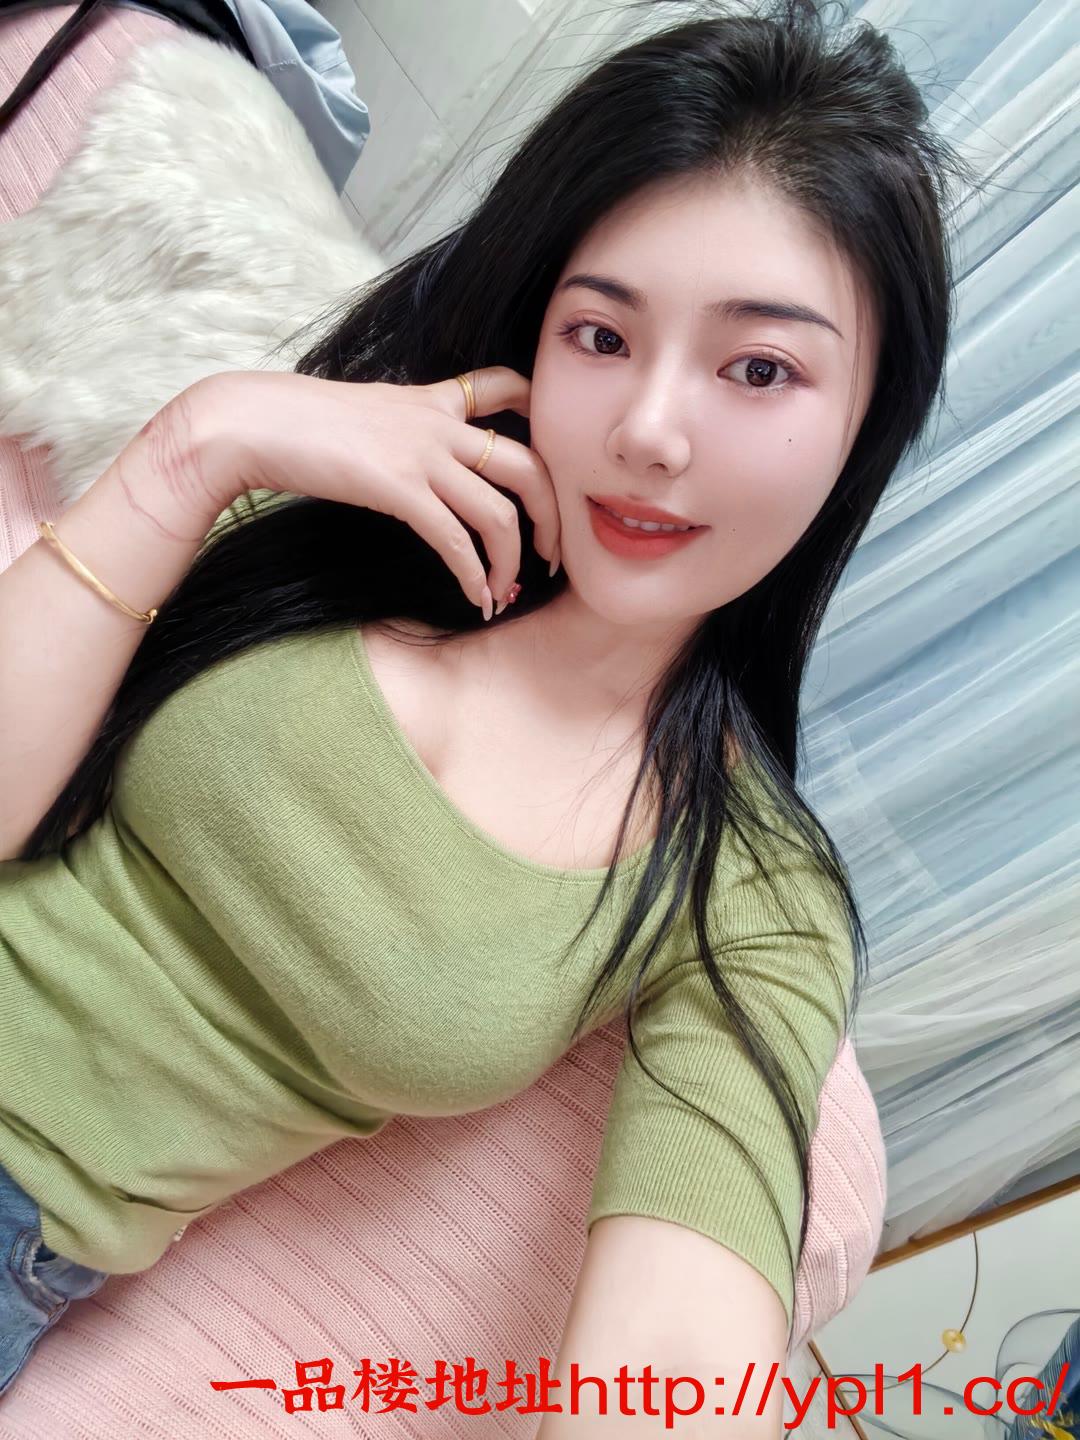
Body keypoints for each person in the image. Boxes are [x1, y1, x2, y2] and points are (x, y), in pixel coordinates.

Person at [0, 0, 961, 1421]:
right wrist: (197, 445)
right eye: (601, 334)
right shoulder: (334, 522)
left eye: (760, 368)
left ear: (866, 421)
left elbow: (675, 1360)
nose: (649, 430)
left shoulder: (746, 891)